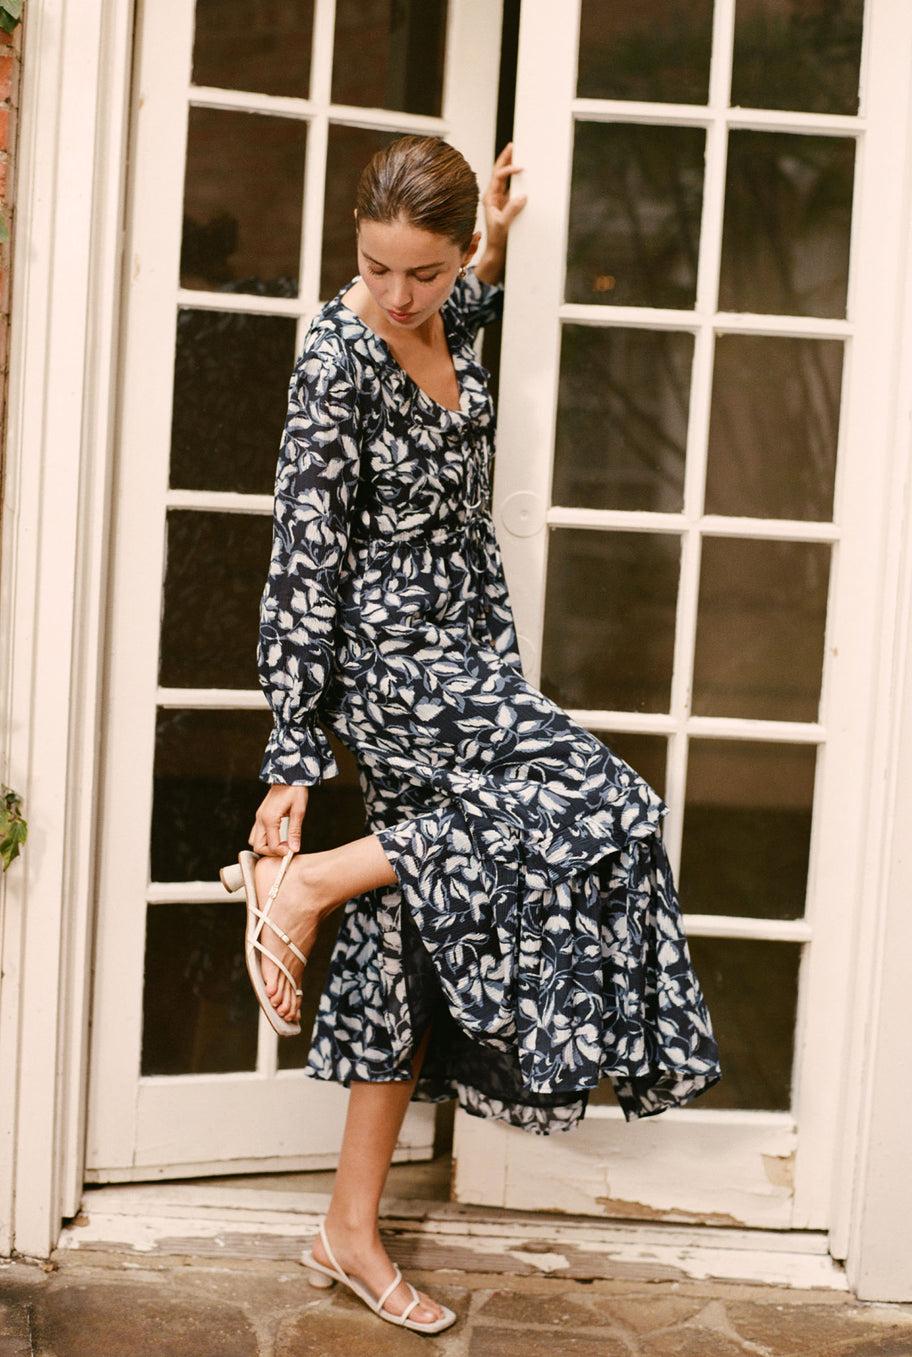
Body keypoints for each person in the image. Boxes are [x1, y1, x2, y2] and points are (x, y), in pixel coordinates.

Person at [221, 136, 720, 1335]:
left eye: (426, 273)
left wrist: (485, 242)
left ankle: (347, 1227)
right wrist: (295, 752)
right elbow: (303, 557)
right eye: (377, 267)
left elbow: (469, 307)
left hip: (472, 653)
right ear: (357, 247)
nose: (401, 296)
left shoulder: (454, 314)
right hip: (397, 667)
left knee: (408, 921)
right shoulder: (336, 358)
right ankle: (309, 882)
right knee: (609, 801)